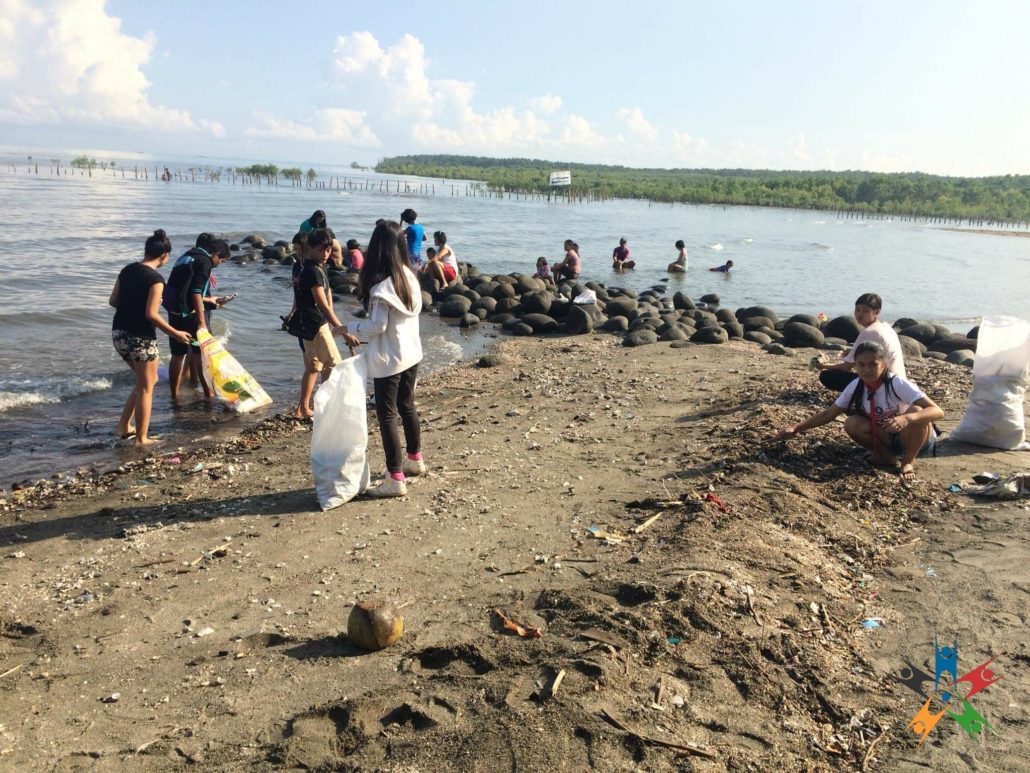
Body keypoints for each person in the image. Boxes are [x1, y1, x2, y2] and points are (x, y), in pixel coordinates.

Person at [335, 220, 424, 498]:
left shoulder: (381, 287)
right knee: (407, 405)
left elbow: (378, 326)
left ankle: (395, 477)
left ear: (376, 248)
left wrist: (348, 328)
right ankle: (415, 459)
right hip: (412, 352)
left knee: (386, 414)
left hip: (390, 359)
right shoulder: (409, 277)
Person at [774, 341, 943, 481]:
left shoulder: (896, 383)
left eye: (873, 365)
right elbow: (829, 414)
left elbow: (937, 411)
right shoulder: (856, 386)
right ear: (855, 366)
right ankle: (888, 459)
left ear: (883, 365)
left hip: (917, 439)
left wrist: (907, 419)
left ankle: (907, 462)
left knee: (917, 410)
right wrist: (796, 428)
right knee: (852, 423)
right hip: (888, 437)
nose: (867, 370)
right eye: (861, 365)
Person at [109, 230, 192, 445]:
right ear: (164, 255)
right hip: (140, 336)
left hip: (118, 333)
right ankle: (141, 438)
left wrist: (131, 307)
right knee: (147, 386)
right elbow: (151, 315)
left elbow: (113, 301)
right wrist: (176, 333)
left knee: (146, 381)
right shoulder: (156, 279)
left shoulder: (127, 270)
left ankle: (123, 426)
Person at [164, 236, 231, 399]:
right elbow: (196, 292)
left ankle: (174, 395)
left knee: (177, 355)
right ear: (215, 254)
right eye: (221, 261)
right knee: (201, 355)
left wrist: (210, 300)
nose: (219, 264)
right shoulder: (205, 262)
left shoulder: (186, 256)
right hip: (191, 315)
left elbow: (185, 289)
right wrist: (201, 322)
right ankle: (208, 395)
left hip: (174, 312)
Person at [292, 228, 345, 419]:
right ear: (311, 248)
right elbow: (322, 304)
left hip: (308, 325)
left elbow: (325, 298)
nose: (325, 254)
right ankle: (324, 408)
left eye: (328, 250)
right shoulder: (311, 270)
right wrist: (343, 330)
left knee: (313, 366)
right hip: (315, 326)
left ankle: (304, 408)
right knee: (334, 364)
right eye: (321, 250)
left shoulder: (311, 268)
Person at [817, 293, 907, 392]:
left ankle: (863, 396)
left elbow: (845, 367)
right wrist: (852, 352)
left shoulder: (869, 331)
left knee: (827, 376)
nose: (859, 315)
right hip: (899, 382)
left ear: (876, 313)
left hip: (884, 386)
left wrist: (823, 366)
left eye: (866, 311)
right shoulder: (886, 327)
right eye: (857, 310)